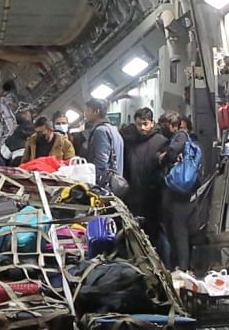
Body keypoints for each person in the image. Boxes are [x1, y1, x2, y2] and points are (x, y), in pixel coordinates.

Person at [159, 112, 206, 268]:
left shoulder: (180, 136)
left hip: (179, 196)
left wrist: (164, 157)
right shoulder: (192, 142)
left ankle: (182, 270)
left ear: (173, 125)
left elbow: (172, 152)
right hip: (186, 194)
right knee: (179, 234)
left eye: (165, 125)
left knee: (179, 234)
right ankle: (181, 268)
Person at [124, 108, 171, 241]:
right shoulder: (130, 142)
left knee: (155, 232)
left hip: (154, 197)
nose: (142, 128)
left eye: (145, 124)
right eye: (139, 124)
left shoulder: (161, 142)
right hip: (134, 195)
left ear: (152, 123)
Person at [83, 99, 125, 194]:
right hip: (116, 183)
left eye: (88, 110)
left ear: (96, 111)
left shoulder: (100, 131)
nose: (85, 113)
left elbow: (101, 161)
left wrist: (96, 184)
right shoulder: (114, 130)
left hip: (105, 187)